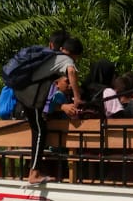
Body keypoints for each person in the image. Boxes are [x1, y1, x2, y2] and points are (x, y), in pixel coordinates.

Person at [15, 37, 84, 185]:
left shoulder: (53, 56)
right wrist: (77, 98)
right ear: (74, 54)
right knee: (40, 131)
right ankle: (33, 174)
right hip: (30, 94)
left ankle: (33, 171)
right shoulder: (66, 60)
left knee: (38, 129)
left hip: (25, 92)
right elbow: (71, 72)